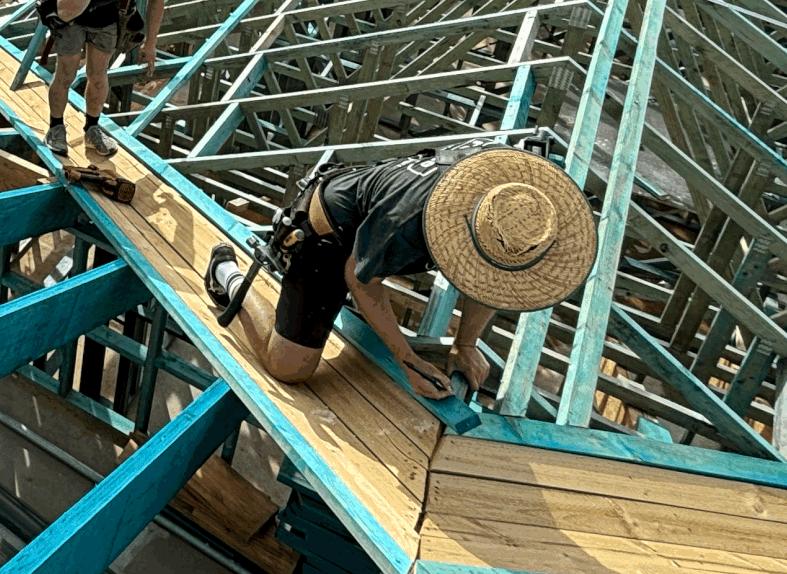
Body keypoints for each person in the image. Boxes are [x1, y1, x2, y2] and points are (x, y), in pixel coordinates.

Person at [205, 144, 595, 405]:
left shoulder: (513, 193)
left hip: (373, 222)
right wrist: (407, 360)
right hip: (330, 235)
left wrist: (466, 344)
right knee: (288, 368)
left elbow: (492, 275)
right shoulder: (407, 222)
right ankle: (228, 274)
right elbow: (359, 278)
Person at [41, 0, 167, 158]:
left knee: (98, 75)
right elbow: (65, 9)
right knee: (65, 72)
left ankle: (92, 127)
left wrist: (150, 44)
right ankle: (56, 127)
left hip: (107, 17)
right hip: (75, 16)